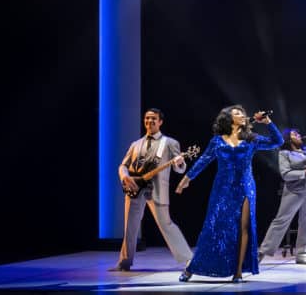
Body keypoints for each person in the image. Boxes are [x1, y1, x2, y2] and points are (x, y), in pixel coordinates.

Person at [175, 106, 282, 282]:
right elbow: (203, 160)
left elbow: (276, 141)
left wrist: (268, 122)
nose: (242, 115)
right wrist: (186, 179)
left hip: (245, 186)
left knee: (244, 227)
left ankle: (238, 271)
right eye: (237, 113)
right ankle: (192, 267)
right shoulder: (217, 141)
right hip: (223, 188)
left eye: (242, 113)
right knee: (213, 227)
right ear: (228, 118)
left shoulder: (251, 139)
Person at [113, 108, 193, 271]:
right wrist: (125, 177)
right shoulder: (136, 144)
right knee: (130, 226)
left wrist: (179, 163)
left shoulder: (170, 143)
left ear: (160, 122)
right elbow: (123, 165)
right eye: (147, 118)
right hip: (135, 188)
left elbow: (179, 168)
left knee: (166, 224)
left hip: (157, 189)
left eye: (153, 119)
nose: (150, 121)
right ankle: (124, 262)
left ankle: (189, 259)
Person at [257, 129, 306, 265]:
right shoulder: (284, 153)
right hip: (295, 189)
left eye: (299, 134)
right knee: (281, 220)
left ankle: (302, 254)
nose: (299, 136)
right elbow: (285, 174)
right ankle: (263, 251)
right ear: (288, 139)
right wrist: (304, 172)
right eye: (295, 134)